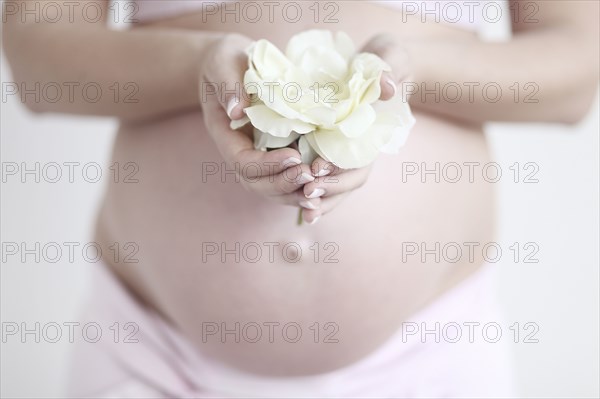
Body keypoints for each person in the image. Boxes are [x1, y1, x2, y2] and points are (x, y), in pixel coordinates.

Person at [3, 0, 598, 397]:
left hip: (430, 358)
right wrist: (196, 67)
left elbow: (579, 66)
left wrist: (400, 78)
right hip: (155, 359)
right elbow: (37, 54)